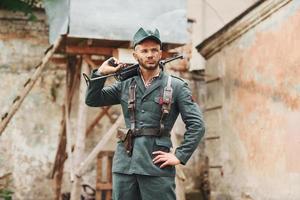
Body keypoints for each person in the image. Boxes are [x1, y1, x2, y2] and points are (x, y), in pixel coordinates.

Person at [85, 27, 205, 200]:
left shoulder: (177, 86)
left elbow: (197, 125)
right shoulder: (125, 84)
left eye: (154, 50)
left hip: (156, 166)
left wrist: (179, 155)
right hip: (125, 165)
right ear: (135, 55)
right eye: (144, 50)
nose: (150, 54)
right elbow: (93, 100)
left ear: (161, 53)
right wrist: (101, 73)